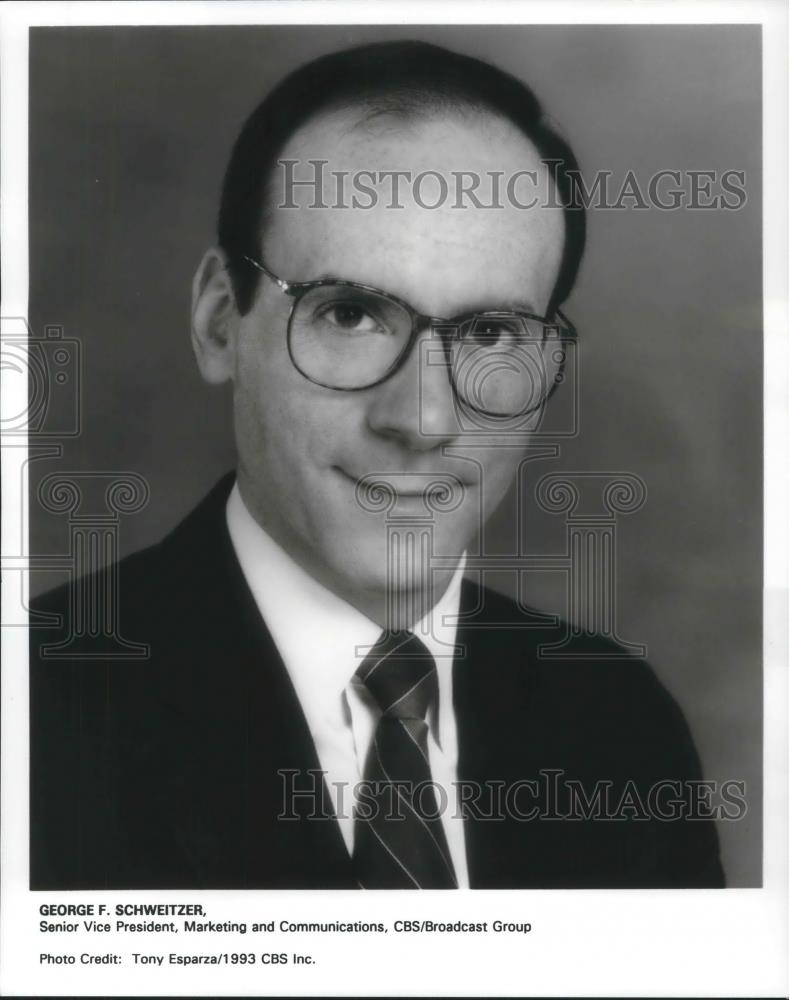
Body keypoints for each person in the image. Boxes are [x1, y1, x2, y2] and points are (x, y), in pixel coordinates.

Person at [30, 40, 725, 889]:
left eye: (488, 334)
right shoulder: (31, 718)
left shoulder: (622, 731)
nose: (423, 418)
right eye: (351, 314)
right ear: (220, 321)